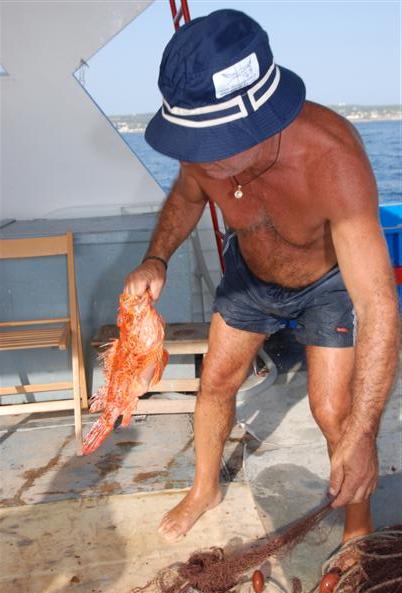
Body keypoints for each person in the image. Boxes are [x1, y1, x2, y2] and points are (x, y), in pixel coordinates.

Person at [124, 10, 399, 543]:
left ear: (261, 119)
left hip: (327, 284)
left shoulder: (332, 159)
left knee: (334, 411)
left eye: (214, 147)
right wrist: (156, 259)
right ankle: (205, 487)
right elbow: (184, 198)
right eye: (194, 146)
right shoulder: (205, 150)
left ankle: (357, 529)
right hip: (250, 273)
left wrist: (365, 432)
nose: (202, 163)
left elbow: (379, 305)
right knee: (216, 384)